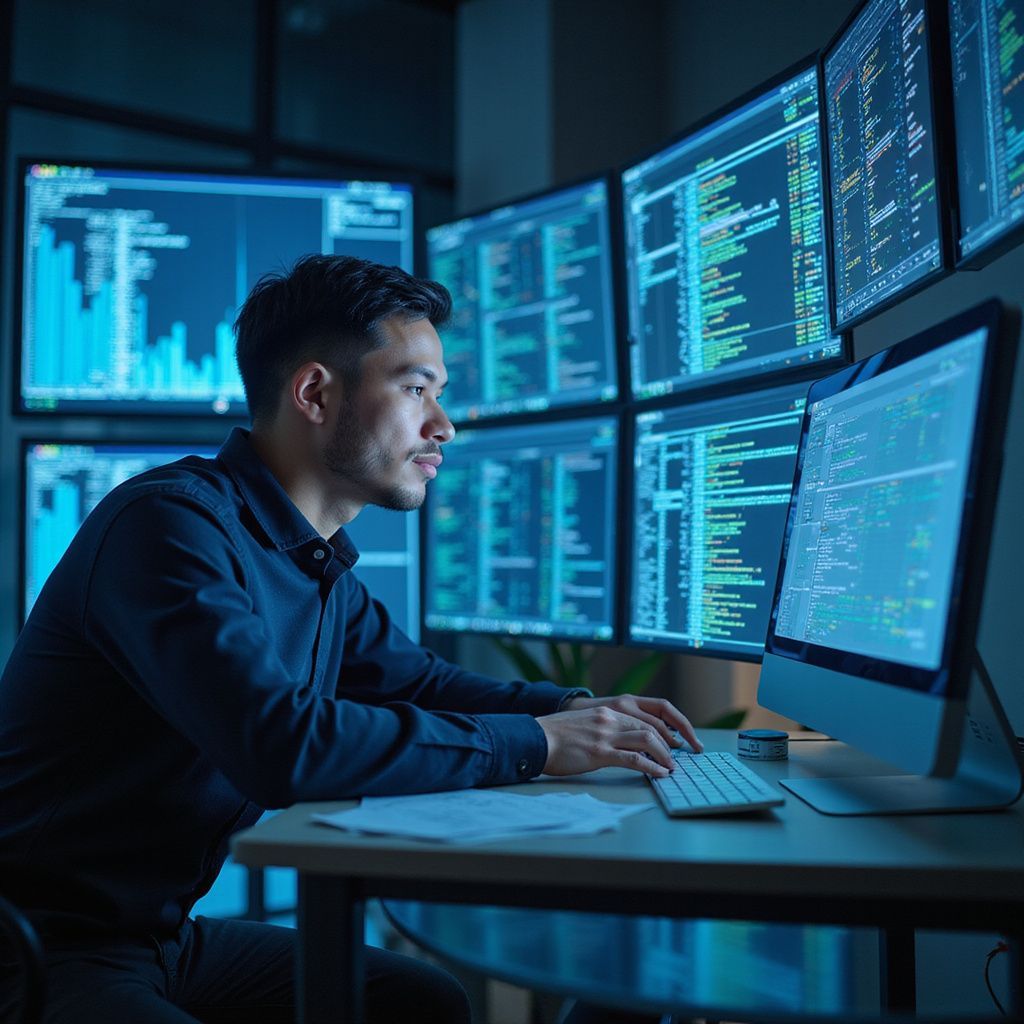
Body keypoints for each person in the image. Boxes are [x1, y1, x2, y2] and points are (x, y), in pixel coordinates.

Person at [0, 255, 701, 1023]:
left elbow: (418, 682)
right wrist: (537, 743)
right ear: (314, 393)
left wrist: (576, 708)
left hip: (155, 937)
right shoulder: (169, 529)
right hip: (35, 946)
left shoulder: (310, 559)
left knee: (418, 1001)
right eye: (416, 390)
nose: (444, 426)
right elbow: (282, 746)